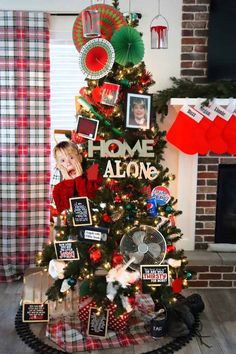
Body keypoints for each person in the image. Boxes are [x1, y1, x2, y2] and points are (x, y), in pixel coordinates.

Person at [52, 141, 102, 214]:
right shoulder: (57, 189)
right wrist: (69, 182)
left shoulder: (93, 175)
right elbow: (68, 214)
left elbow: (92, 203)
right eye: (62, 160)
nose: (68, 163)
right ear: (58, 166)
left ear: (80, 158)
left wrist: (79, 179)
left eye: (71, 157)